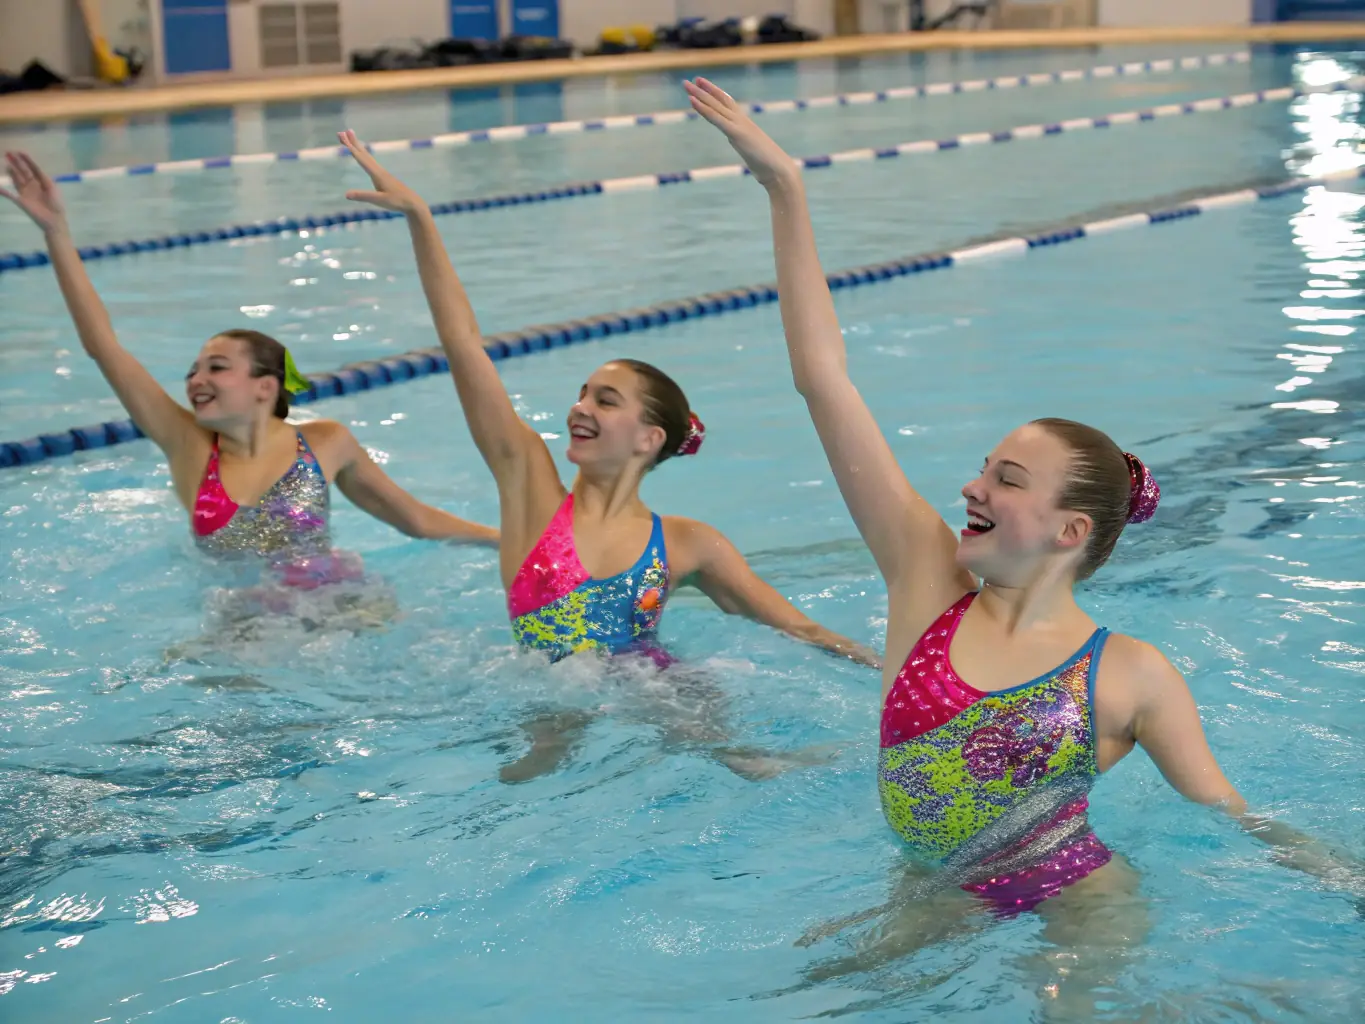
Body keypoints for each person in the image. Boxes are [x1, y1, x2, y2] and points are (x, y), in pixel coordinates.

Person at [686, 76, 1364, 997]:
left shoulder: (1129, 672)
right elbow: (823, 381)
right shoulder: (923, 580)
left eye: (1005, 480)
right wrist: (785, 190)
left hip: (1081, 898)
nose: (971, 485)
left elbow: (1231, 816)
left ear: (1067, 530)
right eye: (982, 469)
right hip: (931, 883)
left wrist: (1339, 878)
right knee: (811, 991)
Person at [336, 130, 879, 778]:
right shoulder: (529, 486)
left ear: (649, 439)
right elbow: (463, 346)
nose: (580, 408)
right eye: (581, 394)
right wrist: (422, 220)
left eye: (605, 400)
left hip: (659, 694)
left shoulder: (686, 543)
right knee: (524, 778)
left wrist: (888, 670)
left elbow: (801, 631)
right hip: (550, 706)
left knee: (743, 764)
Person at [1, 151, 498, 599]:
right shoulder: (188, 446)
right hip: (250, 619)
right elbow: (103, 347)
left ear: (265, 387)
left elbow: (415, 519)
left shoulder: (327, 443)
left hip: (341, 600)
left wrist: (507, 538)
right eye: (193, 370)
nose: (196, 379)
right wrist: (56, 233)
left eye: (217, 367)